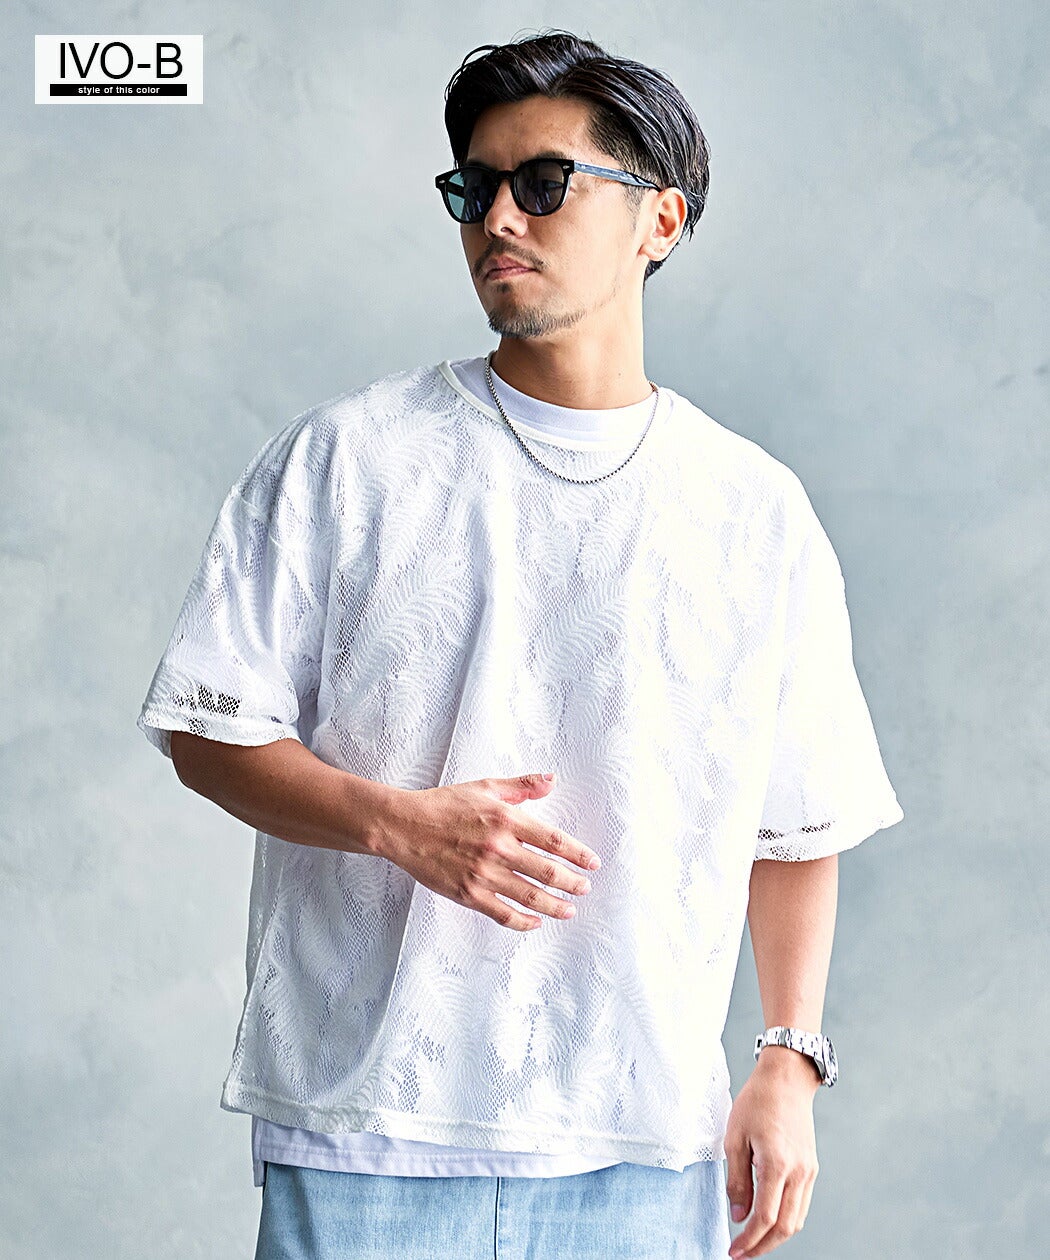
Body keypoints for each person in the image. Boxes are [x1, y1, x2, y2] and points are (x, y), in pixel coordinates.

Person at [137, 28, 904, 1260]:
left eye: (544, 183)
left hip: (641, 1146)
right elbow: (206, 728)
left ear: (660, 219)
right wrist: (396, 823)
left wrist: (789, 1060)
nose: (500, 217)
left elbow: (798, 815)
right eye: (475, 187)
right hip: (367, 1136)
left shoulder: (752, 511)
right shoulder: (349, 461)